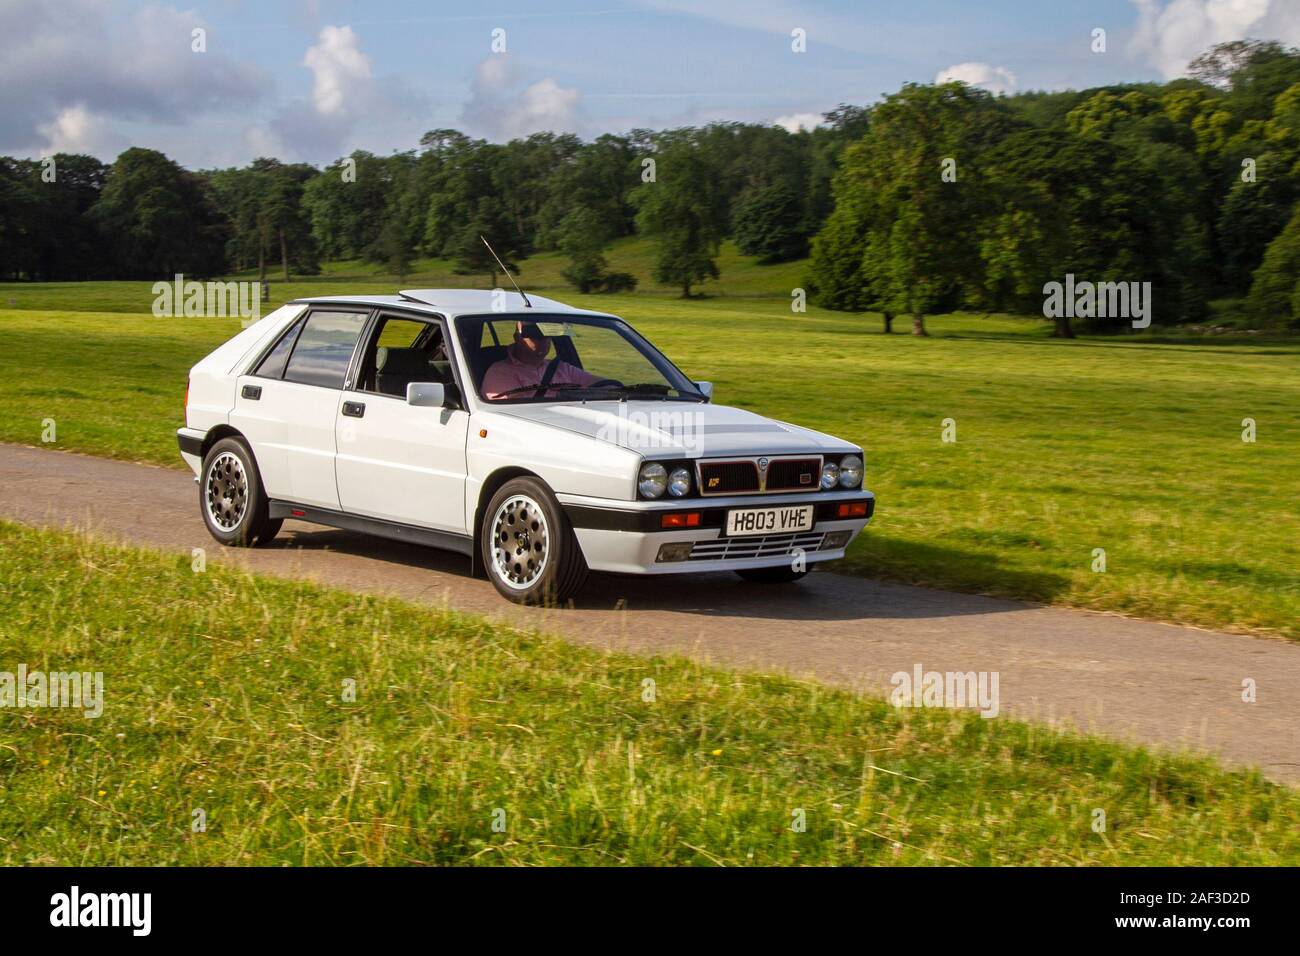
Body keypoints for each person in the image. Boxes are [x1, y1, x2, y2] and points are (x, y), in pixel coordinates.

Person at [481, 321, 601, 399]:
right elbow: (513, 413)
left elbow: (603, 385)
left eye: (547, 336)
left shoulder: (563, 368)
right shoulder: (500, 372)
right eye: (535, 336)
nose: (543, 342)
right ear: (517, 337)